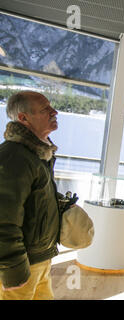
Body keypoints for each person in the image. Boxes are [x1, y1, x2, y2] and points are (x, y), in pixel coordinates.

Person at [0, 90, 60, 300]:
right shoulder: (13, 156)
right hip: (23, 265)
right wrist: (14, 270)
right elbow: (3, 220)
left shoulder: (37, 155)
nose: (55, 112)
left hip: (40, 260)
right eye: (45, 110)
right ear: (23, 118)